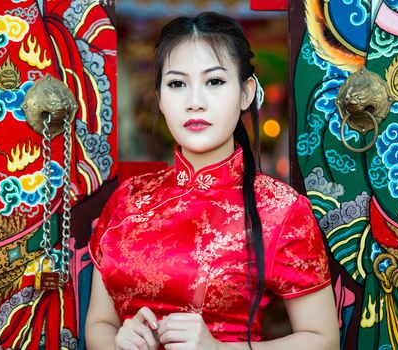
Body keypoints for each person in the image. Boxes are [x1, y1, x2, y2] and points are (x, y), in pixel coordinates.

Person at [86, 12, 340, 350]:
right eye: (177, 84)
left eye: (215, 82)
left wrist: (222, 349)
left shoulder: (281, 210)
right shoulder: (127, 200)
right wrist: (117, 343)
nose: (194, 102)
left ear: (246, 93)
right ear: (160, 98)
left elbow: (323, 340)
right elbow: (99, 324)